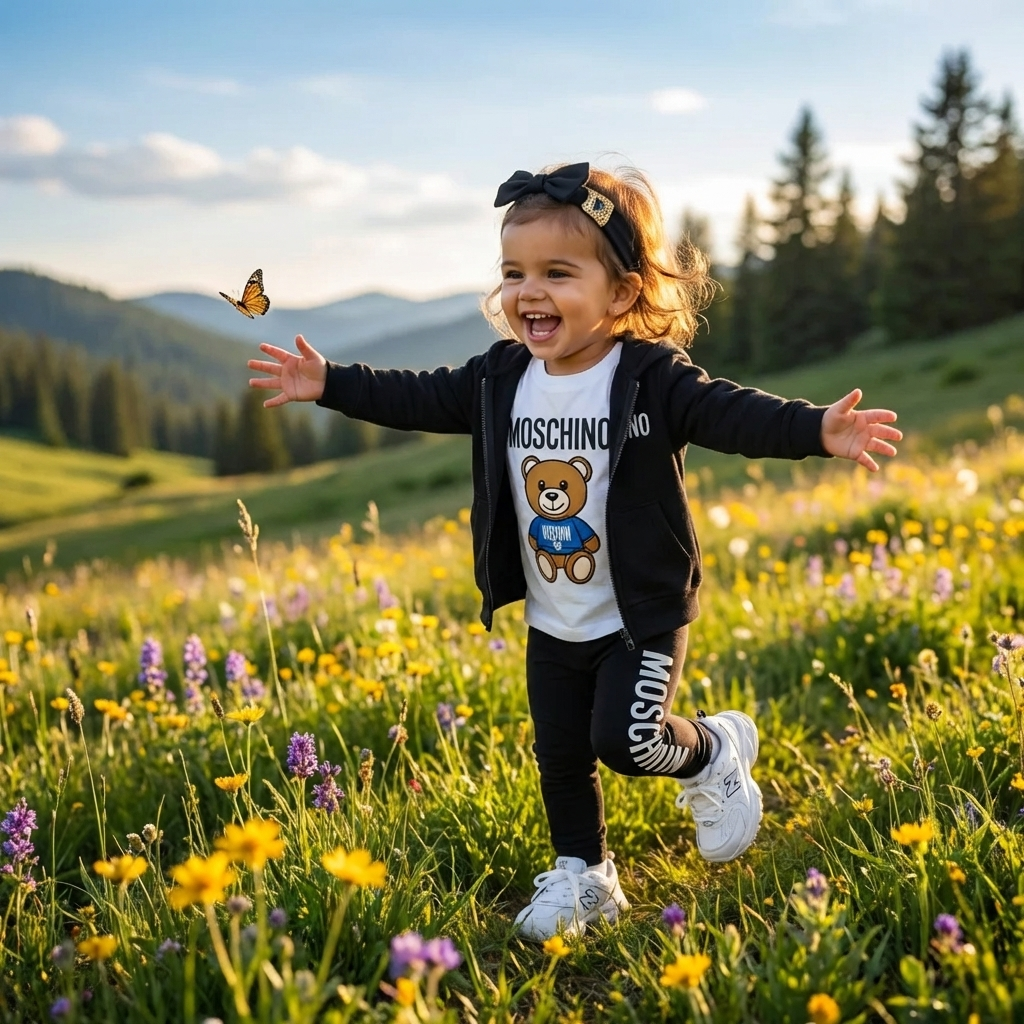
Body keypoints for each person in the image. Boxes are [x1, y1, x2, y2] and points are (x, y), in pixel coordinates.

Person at [247, 161, 901, 941]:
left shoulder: (647, 377)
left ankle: (712, 750)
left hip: (638, 612)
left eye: (558, 273)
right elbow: (416, 394)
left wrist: (814, 428)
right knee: (560, 755)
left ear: (621, 292)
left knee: (625, 740)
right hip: (554, 615)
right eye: (514, 272)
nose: (530, 292)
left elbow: (729, 413)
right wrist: (332, 382)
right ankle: (585, 876)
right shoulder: (503, 376)